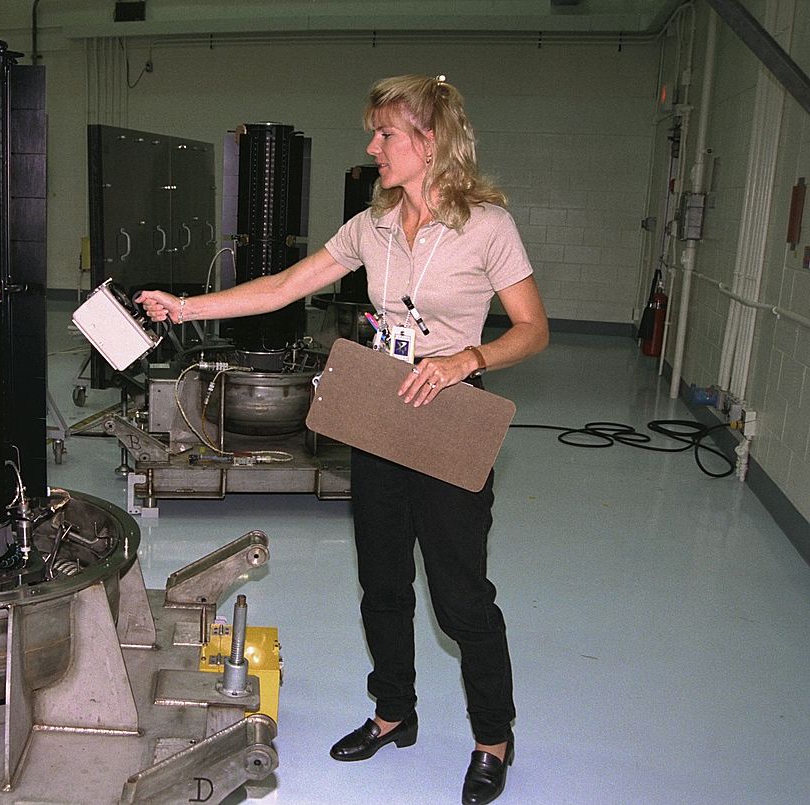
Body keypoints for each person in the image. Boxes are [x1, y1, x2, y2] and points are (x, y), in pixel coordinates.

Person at [137, 74, 548, 805]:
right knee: (382, 581)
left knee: (461, 598)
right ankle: (393, 713)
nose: (373, 147)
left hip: (451, 414)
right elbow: (282, 286)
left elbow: (532, 328)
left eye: (386, 134)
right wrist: (185, 306)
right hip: (380, 411)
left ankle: (493, 737)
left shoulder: (488, 226)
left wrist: (468, 358)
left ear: (430, 141)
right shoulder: (373, 224)